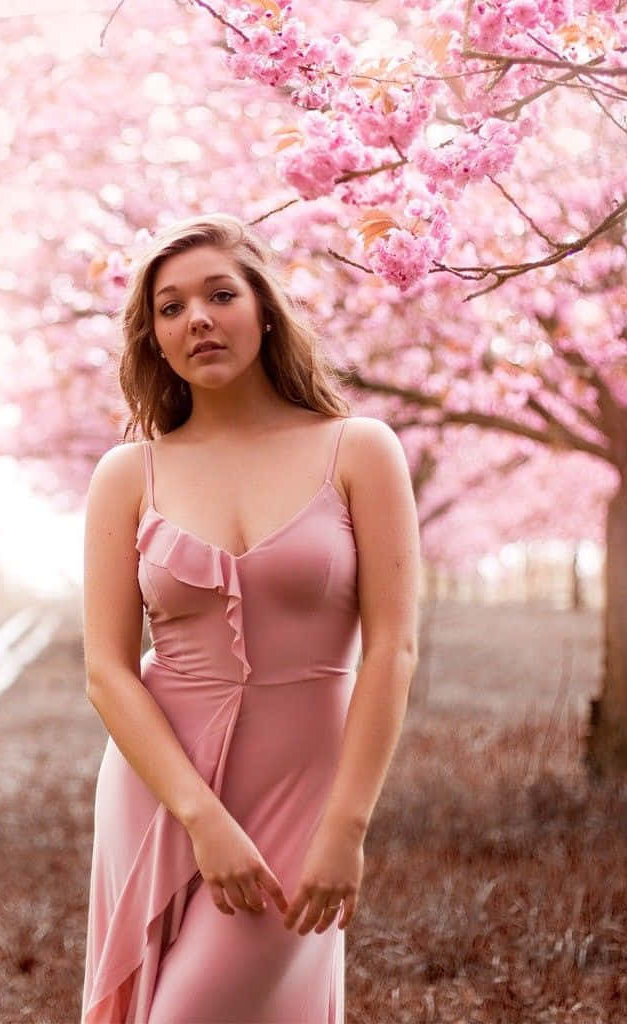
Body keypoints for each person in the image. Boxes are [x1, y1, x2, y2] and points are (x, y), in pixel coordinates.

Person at [79, 213, 421, 1023]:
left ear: (264, 310)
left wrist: (346, 825)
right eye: (170, 307)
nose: (196, 318)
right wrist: (201, 818)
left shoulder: (359, 450)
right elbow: (106, 670)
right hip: (161, 793)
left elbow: (393, 650)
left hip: (303, 796)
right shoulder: (129, 475)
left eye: (219, 294)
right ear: (155, 340)